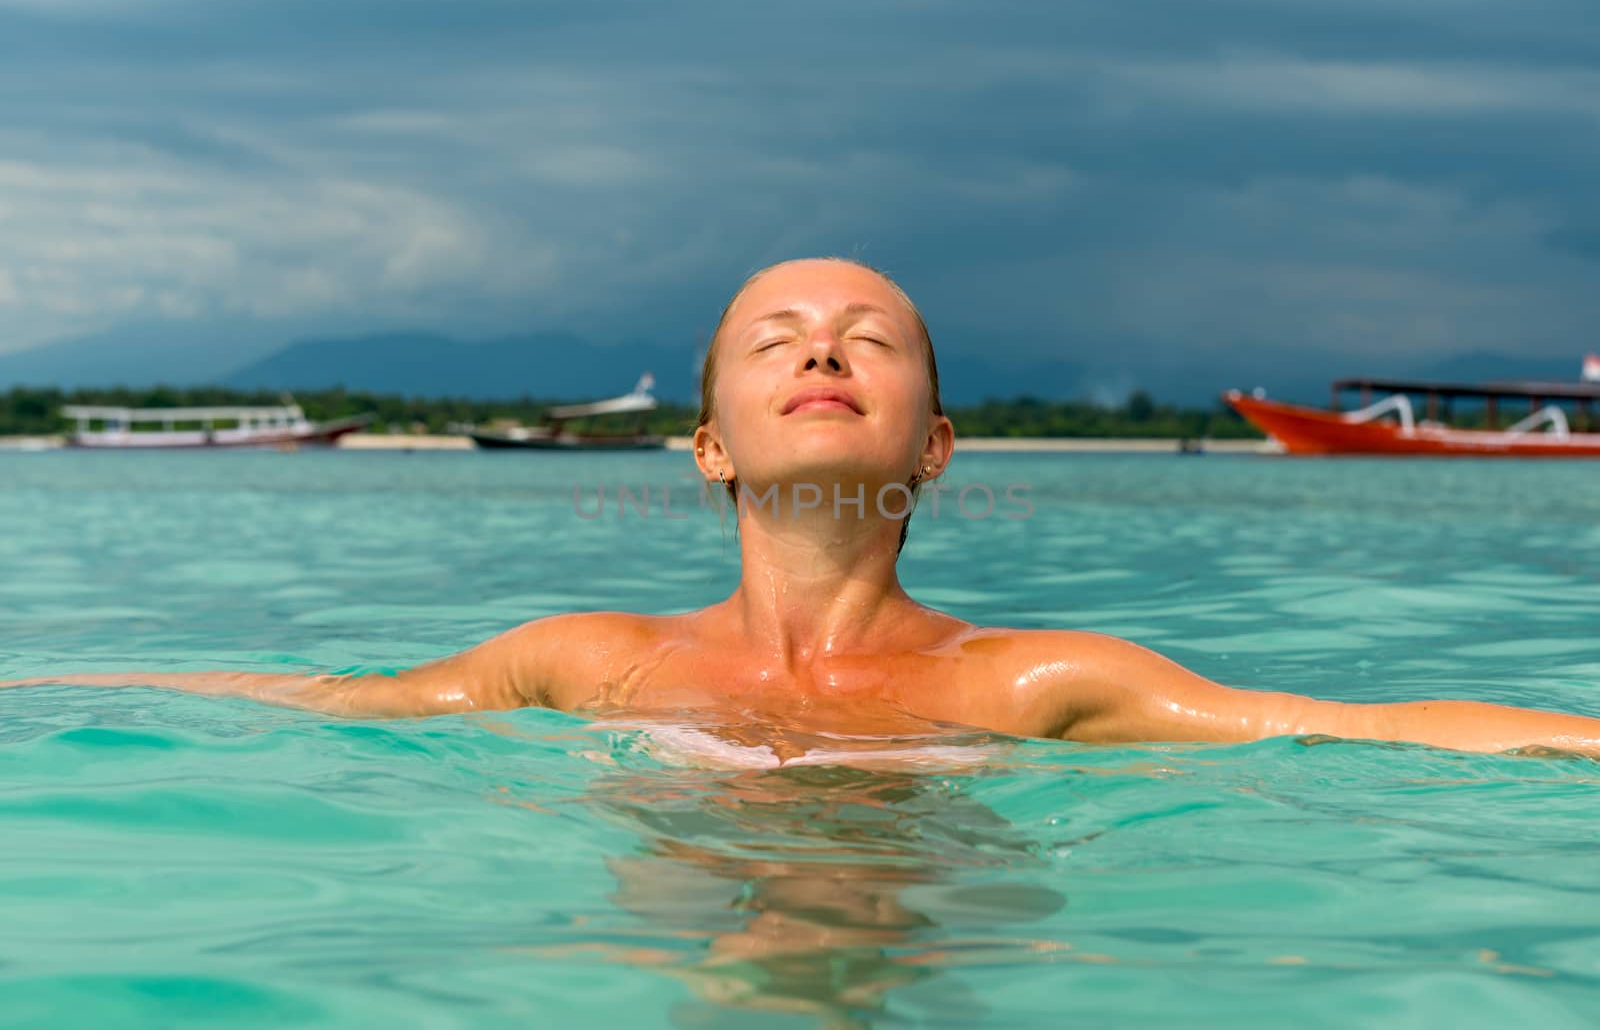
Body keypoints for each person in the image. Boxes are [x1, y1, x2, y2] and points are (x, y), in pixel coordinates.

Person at [7, 258, 1600, 759]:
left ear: (941, 444)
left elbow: (1361, 725)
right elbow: (322, 699)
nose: (824, 346)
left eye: (869, 340)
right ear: (707, 445)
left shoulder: (1028, 682)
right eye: (775, 342)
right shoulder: (589, 661)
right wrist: (42, 681)